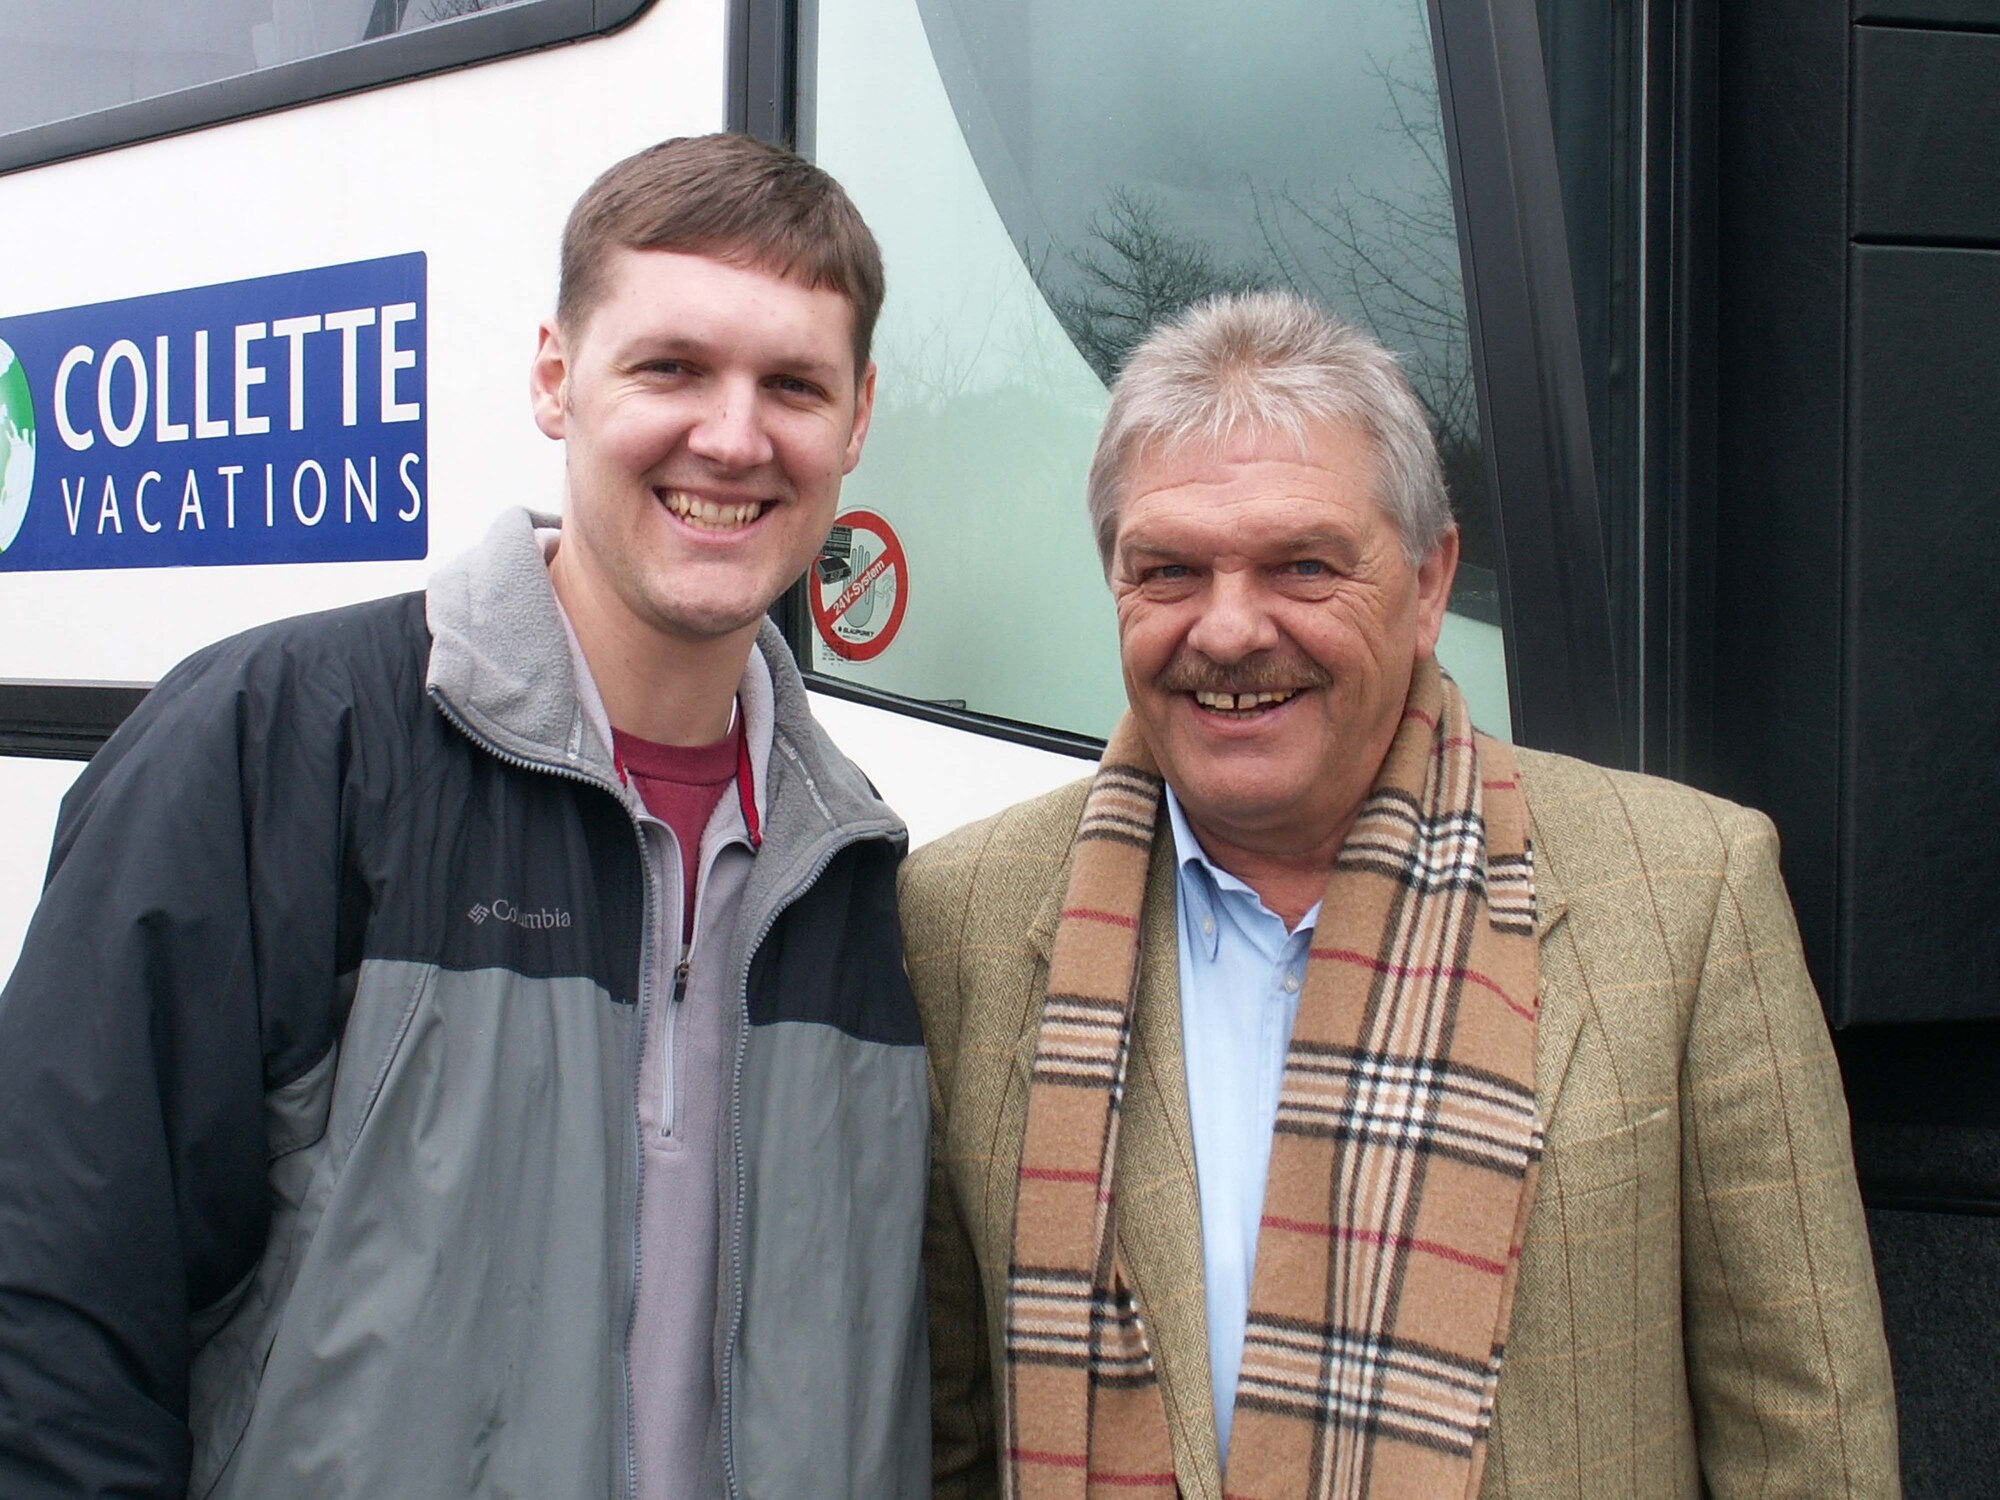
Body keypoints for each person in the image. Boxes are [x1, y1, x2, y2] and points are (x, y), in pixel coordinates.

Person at [0, 134, 928, 1500]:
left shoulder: (854, 875)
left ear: (854, 422)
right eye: (671, 366)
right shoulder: (275, 746)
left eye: (792, 383)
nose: (733, 436)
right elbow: (51, 1317)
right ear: (556, 378)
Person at [903, 290, 1899, 1499]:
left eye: (1302, 565)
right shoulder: (960, 917)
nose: (1225, 629)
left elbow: (1808, 1441)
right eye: (1166, 569)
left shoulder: (1685, 892)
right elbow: (946, 1442)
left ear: (1428, 584)